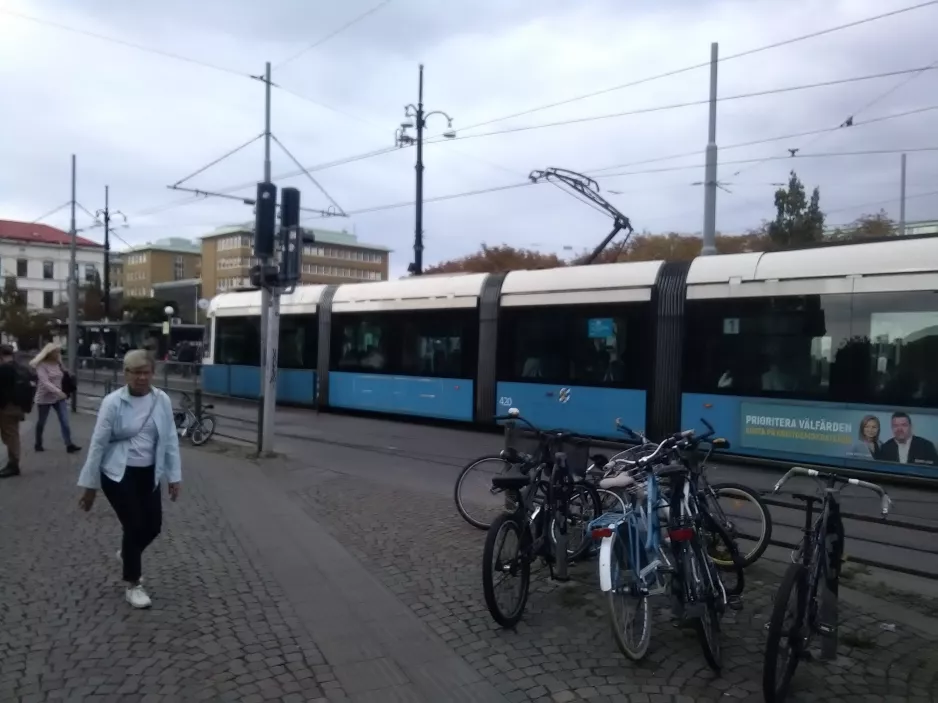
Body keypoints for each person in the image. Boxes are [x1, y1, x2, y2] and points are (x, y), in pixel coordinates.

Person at [77, 349, 182, 609]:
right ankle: (133, 583)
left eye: (146, 372)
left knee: (153, 525)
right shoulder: (113, 402)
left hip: (150, 471)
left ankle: (127, 554)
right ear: (125, 374)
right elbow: (97, 444)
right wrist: (89, 485)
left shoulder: (162, 400)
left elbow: (169, 440)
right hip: (117, 472)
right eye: (135, 372)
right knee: (134, 525)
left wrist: (174, 476)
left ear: (153, 373)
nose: (141, 378)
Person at [30, 343, 80, 454]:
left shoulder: (58, 363)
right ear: (49, 353)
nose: (58, 354)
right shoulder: (41, 365)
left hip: (58, 397)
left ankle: (69, 444)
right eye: (55, 352)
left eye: (58, 351)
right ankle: (38, 443)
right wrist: (59, 391)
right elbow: (45, 382)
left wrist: (68, 375)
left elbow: (62, 374)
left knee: (65, 421)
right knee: (41, 421)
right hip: (44, 397)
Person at [0, 344, 29, 478]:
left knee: (10, 435)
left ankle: (13, 465)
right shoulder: (18, 367)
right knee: (12, 434)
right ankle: (13, 463)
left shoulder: (4, 368)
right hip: (18, 406)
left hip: (7, 407)